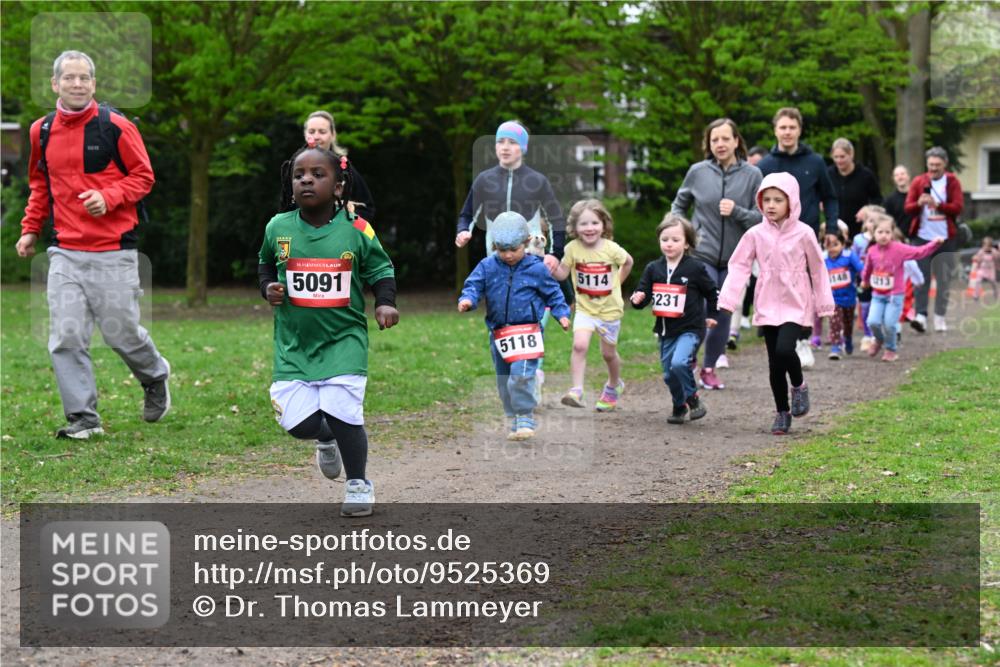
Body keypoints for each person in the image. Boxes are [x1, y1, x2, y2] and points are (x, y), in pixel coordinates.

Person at [16, 50, 170, 439]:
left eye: (84, 77)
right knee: (66, 336)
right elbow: (40, 185)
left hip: (114, 250)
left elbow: (144, 176)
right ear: (55, 84)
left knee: (121, 333)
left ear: (94, 84)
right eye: (69, 77)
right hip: (65, 251)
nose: (77, 84)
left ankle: (154, 375)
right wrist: (30, 229)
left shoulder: (115, 126)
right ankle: (83, 418)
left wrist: (109, 196)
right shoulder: (41, 131)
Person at [259, 147, 398, 517]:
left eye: (317, 174)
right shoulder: (278, 227)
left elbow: (381, 270)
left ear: (338, 186)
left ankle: (358, 483)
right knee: (297, 423)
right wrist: (268, 287)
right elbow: (265, 265)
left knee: (344, 414)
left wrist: (384, 302)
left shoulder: (357, 229)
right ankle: (325, 437)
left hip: (344, 340)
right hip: (294, 345)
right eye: (299, 175)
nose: (307, 179)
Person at [717, 173, 835, 436]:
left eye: (778, 200)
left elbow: (818, 269)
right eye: (766, 199)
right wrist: (728, 298)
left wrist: (824, 303)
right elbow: (739, 266)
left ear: (791, 201)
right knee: (774, 362)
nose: (771, 205)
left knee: (785, 349)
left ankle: (799, 385)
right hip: (767, 301)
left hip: (796, 301)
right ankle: (782, 412)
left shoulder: (804, 233)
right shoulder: (755, 234)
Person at [458, 212, 570, 440]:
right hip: (499, 332)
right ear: (494, 245)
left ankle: (525, 416)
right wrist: (468, 299)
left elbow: (554, 293)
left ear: (526, 242)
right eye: (502, 249)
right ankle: (515, 417)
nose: (508, 255)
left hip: (528, 331)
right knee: (504, 381)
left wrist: (562, 314)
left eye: (513, 249)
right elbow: (474, 285)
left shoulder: (537, 268)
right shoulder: (487, 266)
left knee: (521, 375)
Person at [670, 118, 762, 390]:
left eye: (725, 138)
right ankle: (689, 360)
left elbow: (762, 217)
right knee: (700, 308)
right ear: (708, 144)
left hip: (737, 257)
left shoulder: (753, 175)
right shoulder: (697, 172)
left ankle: (709, 368)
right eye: (715, 140)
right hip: (702, 253)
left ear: (736, 141)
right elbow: (678, 206)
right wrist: (682, 232)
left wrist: (737, 211)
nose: (720, 144)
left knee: (723, 311)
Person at [756, 108, 840, 370]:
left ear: (799, 130)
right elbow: (756, 203)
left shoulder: (815, 162)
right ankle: (776, 335)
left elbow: (830, 197)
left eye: (792, 127)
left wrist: (832, 228)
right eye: (783, 127)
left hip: (805, 236)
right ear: (775, 130)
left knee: (804, 287)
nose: (787, 132)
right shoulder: (764, 166)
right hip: (772, 239)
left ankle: (803, 339)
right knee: (773, 285)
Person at [630, 214, 718, 424]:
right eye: (665, 239)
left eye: (675, 240)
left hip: (690, 328)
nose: (669, 244)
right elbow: (643, 294)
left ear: (687, 243)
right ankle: (679, 405)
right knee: (669, 375)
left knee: (679, 364)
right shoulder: (654, 268)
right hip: (665, 330)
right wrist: (637, 299)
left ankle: (692, 398)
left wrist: (712, 315)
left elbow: (712, 293)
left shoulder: (695, 268)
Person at [550, 199, 633, 411]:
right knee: (579, 346)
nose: (589, 228)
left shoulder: (611, 248)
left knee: (608, 354)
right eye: (583, 224)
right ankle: (576, 390)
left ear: (604, 225)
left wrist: (617, 283)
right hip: (585, 309)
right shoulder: (572, 249)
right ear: (575, 227)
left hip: (609, 311)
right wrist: (549, 265)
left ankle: (614, 385)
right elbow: (562, 274)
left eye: (595, 223)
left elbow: (628, 262)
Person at [454, 121, 566, 271]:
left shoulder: (538, 180)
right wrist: (463, 231)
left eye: (512, 142)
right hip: (496, 261)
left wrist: (556, 254)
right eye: (500, 141)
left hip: (532, 261)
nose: (505, 147)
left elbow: (556, 219)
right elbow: (467, 215)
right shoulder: (484, 180)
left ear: (523, 147)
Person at [860, 214, 942, 361]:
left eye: (887, 232)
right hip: (877, 295)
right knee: (872, 322)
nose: (884, 235)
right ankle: (879, 340)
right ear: (873, 233)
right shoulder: (872, 251)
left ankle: (891, 349)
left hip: (895, 296)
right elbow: (867, 268)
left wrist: (934, 244)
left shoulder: (899, 249)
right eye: (880, 232)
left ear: (892, 233)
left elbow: (919, 252)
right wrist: (864, 281)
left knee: (890, 324)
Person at [904, 146, 965, 333]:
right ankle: (921, 316)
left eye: (937, 165)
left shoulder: (952, 182)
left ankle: (940, 316)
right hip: (922, 238)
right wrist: (919, 203)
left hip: (946, 239)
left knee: (944, 280)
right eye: (930, 164)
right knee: (921, 279)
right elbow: (908, 208)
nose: (933, 168)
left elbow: (958, 207)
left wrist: (938, 204)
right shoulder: (918, 181)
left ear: (945, 164)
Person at [279, 110, 375, 220]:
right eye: (311, 131)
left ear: (333, 135)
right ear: (305, 135)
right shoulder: (294, 167)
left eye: (322, 132)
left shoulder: (343, 167)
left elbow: (367, 209)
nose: (316, 136)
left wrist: (346, 211)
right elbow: (285, 209)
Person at [822, 229, 864, 359]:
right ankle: (835, 346)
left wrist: (865, 280)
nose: (832, 248)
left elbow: (861, 269)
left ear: (843, 244)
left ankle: (848, 339)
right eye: (829, 245)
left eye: (835, 244)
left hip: (849, 297)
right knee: (834, 322)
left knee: (848, 323)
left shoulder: (849, 256)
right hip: (833, 299)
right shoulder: (823, 258)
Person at [883, 165, 911, 230]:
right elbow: (886, 221)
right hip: (899, 235)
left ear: (908, 176)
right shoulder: (889, 200)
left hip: (919, 234)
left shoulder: (917, 196)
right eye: (896, 175)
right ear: (893, 179)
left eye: (902, 174)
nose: (900, 177)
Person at [970, 236, 997, 301]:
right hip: (982, 269)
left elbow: (996, 257)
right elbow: (977, 258)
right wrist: (975, 258)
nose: (985, 247)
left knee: (993, 281)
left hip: (990, 269)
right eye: (984, 245)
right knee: (977, 281)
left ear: (990, 246)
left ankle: (995, 291)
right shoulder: (981, 251)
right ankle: (976, 295)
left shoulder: (993, 251)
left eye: (987, 245)